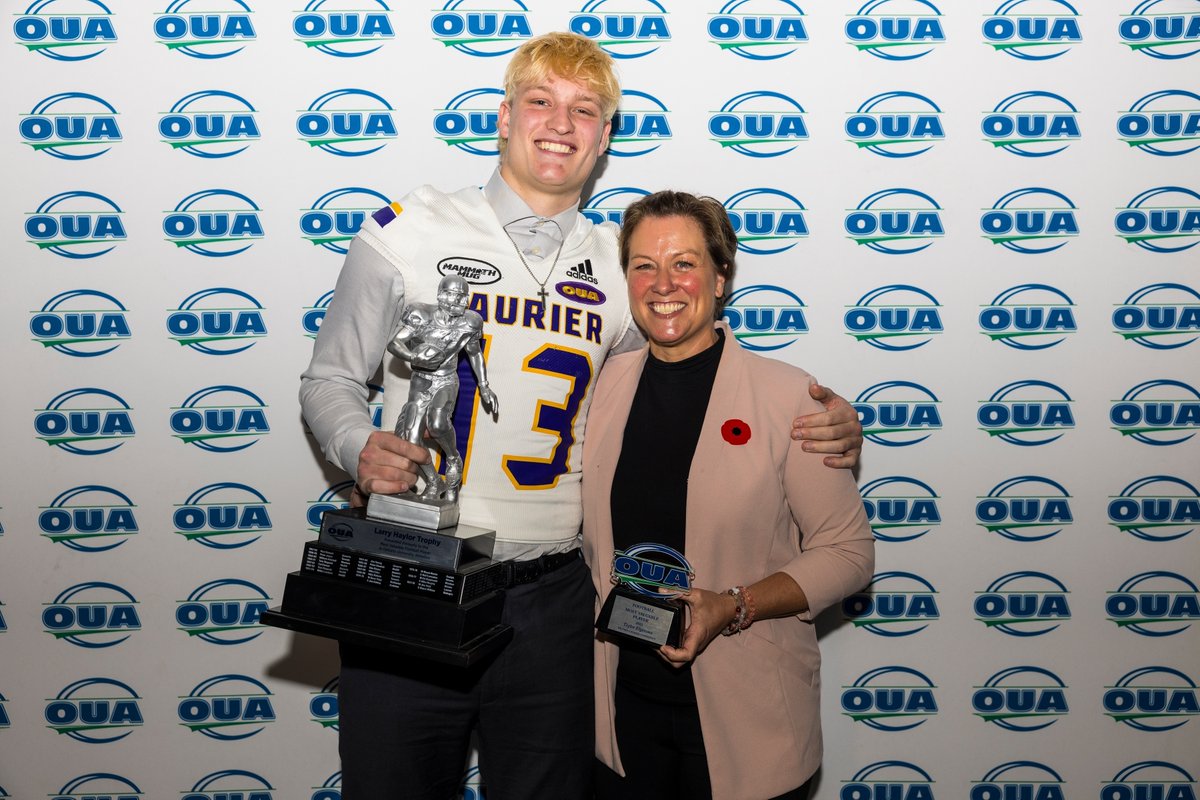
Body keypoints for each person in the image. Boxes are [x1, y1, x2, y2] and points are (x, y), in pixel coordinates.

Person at [299, 32, 863, 800]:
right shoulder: (408, 230)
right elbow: (330, 377)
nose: (560, 123)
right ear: (504, 117)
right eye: (540, 101)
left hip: (553, 600)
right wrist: (355, 442)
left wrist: (821, 415)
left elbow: (689, 375)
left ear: (605, 137)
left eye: (585, 110)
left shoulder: (620, 264)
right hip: (414, 571)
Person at [582, 191, 876, 800]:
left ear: (720, 279)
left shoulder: (788, 398)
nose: (664, 284)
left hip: (750, 716)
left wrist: (735, 605)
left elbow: (848, 553)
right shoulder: (596, 387)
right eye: (644, 265)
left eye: (684, 264)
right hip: (621, 711)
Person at [385, 274, 497, 503]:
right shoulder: (421, 314)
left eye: (462, 296)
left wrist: (484, 386)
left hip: (446, 378)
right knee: (411, 439)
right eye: (453, 295)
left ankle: (453, 458)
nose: (458, 301)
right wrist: (413, 356)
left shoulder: (470, 322)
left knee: (437, 424)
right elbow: (395, 343)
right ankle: (434, 481)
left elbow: (475, 353)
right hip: (421, 379)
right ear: (440, 295)